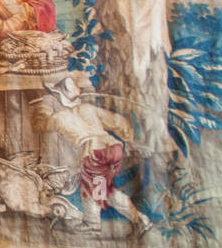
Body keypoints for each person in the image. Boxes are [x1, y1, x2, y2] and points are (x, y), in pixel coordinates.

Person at [33, 75, 153, 236]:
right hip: (113, 148)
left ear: (58, 97)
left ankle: (95, 223)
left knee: (94, 189)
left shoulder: (58, 117)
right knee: (103, 189)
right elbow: (117, 121)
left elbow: (39, 126)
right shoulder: (88, 109)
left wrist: (43, 108)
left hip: (95, 152)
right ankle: (136, 220)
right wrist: (130, 140)